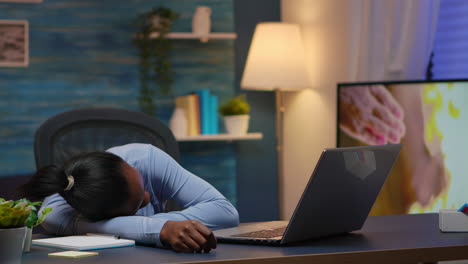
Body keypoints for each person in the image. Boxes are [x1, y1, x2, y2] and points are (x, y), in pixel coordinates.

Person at [22, 143, 239, 253]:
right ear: (100, 216)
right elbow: (50, 218)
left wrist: (162, 227)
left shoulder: (145, 158)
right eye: (139, 205)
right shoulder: (59, 207)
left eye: (143, 185)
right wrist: (162, 229)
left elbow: (224, 212)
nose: (147, 197)